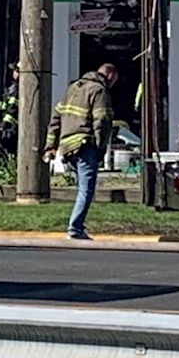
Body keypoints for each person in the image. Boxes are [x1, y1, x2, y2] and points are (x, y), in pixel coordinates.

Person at [44, 63, 118, 241]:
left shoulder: (72, 89)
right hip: (85, 145)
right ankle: (75, 229)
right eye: (114, 80)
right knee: (86, 190)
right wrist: (101, 148)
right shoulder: (99, 91)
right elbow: (102, 121)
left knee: (82, 189)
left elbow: (55, 119)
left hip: (68, 147)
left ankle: (76, 228)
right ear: (109, 76)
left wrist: (50, 146)